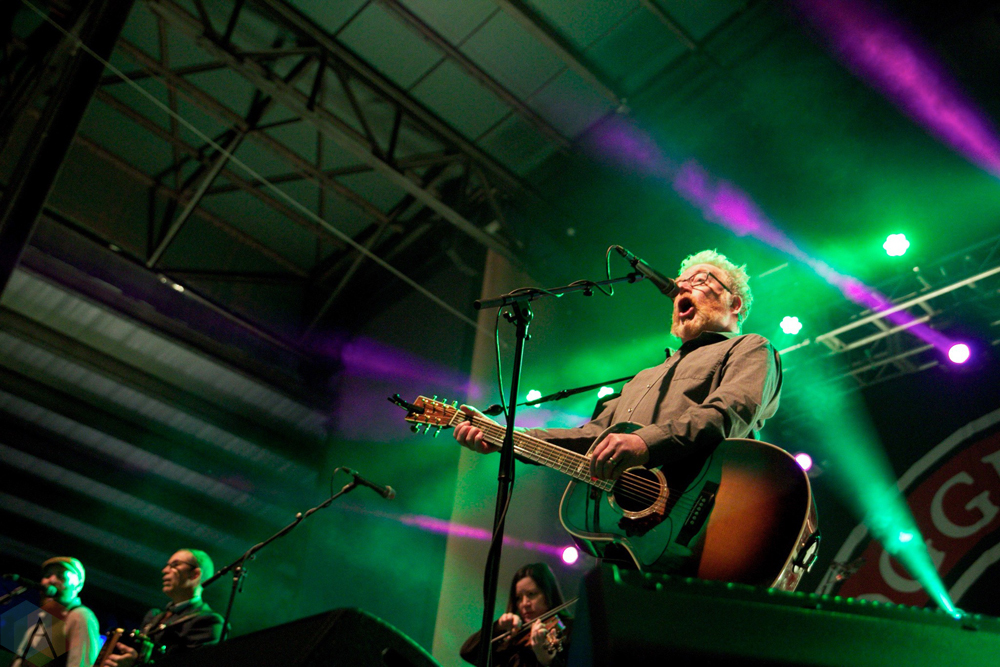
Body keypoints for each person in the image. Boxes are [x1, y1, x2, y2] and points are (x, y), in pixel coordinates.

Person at [454, 249, 782, 569]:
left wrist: (645, 443)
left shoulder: (751, 348)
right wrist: (506, 436)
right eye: (681, 281)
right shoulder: (643, 379)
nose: (681, 287)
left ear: (734, 304)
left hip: (720, 524)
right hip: (639, 543)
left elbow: (728, 412)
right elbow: (590, 437)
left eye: (700, 280)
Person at [101, 549, 223, 666]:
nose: (165, 570)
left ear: (195, 574)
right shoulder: (154, 617)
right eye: (167, 565)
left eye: (175, 565)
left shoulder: (209, 621)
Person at [460, 563, 573, 667]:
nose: (524, 603)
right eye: (518, 598)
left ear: (549, 593)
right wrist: (498, 627)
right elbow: (468, 653)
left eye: (531, 594)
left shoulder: (570, 629)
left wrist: (547, 661)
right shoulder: (514, 637)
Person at [11, 556, 99, 667]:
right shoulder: (39, 621)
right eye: (47, 575)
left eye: (61, 576)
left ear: (78, 585)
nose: (51, 580)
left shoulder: (79, 616)